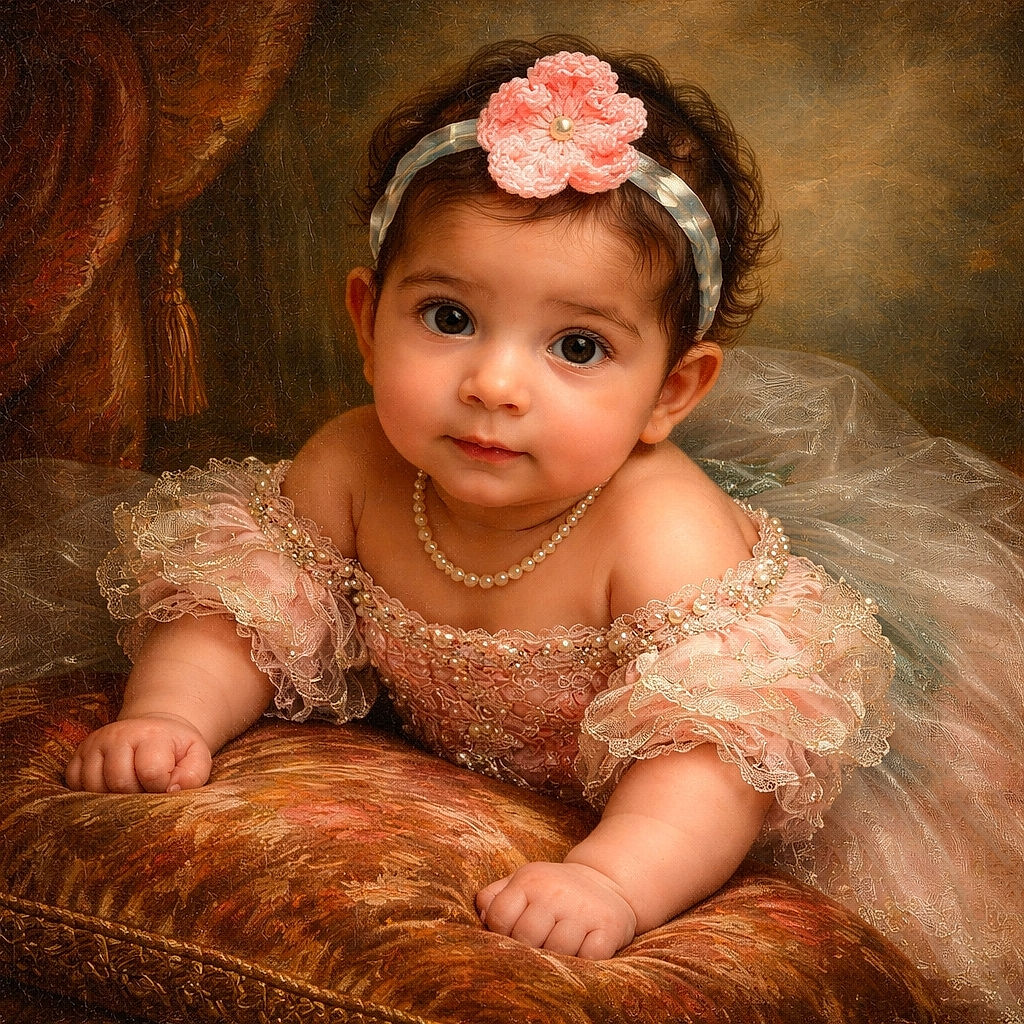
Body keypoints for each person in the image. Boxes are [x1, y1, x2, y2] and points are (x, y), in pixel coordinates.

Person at [62, 37, 1022, 1017]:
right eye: (447, 317)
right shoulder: (353, 462)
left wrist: (613, 877)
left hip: (686, 781)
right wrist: (172, 713)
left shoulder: (659, 531)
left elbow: (713, 763)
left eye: (576, 345)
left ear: (670, 391)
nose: (494, 384)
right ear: (364, 321)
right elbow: (244, 611)